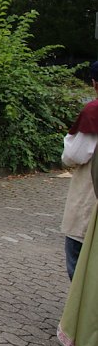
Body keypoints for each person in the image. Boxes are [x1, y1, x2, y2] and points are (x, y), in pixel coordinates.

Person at [57, 147, 98, 346]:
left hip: (88, 202)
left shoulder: (93, 113)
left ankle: (83, 328)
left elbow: (73, 155)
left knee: (82, 268)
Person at [60, 60, 98, 279]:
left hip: (91, 191)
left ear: (94, 83)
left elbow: (74, 155)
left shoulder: (94, 111)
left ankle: (84, 310)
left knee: (78, 253)